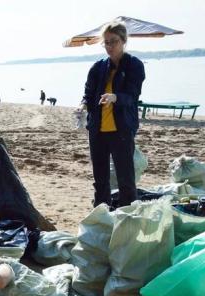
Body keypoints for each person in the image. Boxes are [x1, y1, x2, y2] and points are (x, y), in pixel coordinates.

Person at [77, 21, 145, 208]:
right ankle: (102, 217)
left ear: (124, 41)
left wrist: (115, 97)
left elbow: (132, 96)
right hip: (97, 130)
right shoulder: (97, 67)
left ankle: (127, 217)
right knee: (100, 180)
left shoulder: (134, 65)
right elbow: (88, 95)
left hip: (121, 129)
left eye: (113, 41)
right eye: (106, 42)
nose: (109, 46)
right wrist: (82, 107)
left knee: (126, 179)